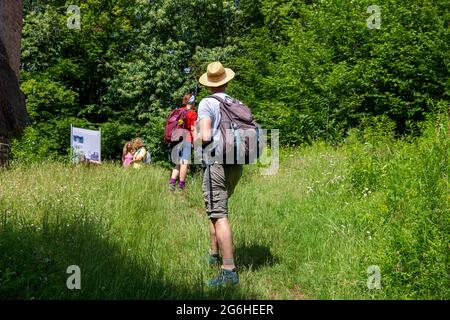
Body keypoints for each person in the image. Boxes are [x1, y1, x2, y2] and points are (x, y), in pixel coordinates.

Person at [196, 61, 243, 287]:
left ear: (208, 83)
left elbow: (205, 136)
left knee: (219, 213)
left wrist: (194, 140)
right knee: (216, 210)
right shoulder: (236, 102)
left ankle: (228, 271)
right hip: (237, 162)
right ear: (226, 81)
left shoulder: (207, 102)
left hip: (217, 161)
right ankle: (213, 253)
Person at [168, 93, 198, 191]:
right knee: (185, 162)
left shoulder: (177, 111)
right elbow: (193, 129)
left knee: (178, 162)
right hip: (187, 139)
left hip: (176, 138)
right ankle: (181, 186)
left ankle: (172, 183)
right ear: (192, 101)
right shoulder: (192, 113)